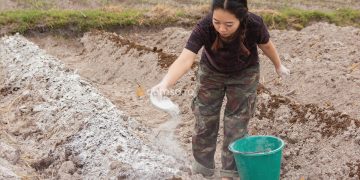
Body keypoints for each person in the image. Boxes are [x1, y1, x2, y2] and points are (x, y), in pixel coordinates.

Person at [151, 0, 290, 179]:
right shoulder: (205, 26)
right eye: (217, 22)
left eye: (228, 24)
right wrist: (165, 83)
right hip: (211, 73)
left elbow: (267, 45)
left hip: (244, 74)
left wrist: (278, 66)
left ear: (242, 18)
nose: (221, 29)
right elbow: (185, 59)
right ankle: (202, 168)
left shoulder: (254, 24)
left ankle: (229, 172)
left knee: (236, 123)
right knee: (204, 118)